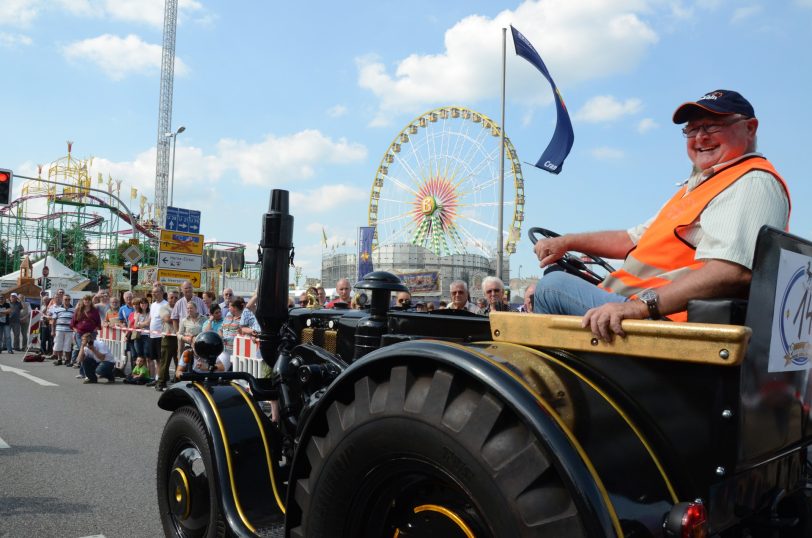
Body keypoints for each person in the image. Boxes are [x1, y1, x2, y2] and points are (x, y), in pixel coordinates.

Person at [533, 89, 790, 341]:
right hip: (643, 308)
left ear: (750, 128)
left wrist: (637, 307)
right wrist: (566, 242)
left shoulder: (752, 182)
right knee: (556, 279)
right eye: (691, 129)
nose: (700, 137)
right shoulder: (698, 189)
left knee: (552, 286)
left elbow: (731, 271)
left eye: (712, 126)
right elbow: (630, 240)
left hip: (666, 321)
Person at [51, 294, 74, 366]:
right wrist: (53, 331)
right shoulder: (57, 309)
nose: (67, 301)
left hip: (69, 330)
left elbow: (76, 320)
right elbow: (53, 321)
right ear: (62, 300)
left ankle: (67, 360)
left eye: (68, 299)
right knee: (58, 344)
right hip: (59, 330)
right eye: (65, 299)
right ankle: (59, 359)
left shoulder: (74, 310)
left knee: (68, 345)